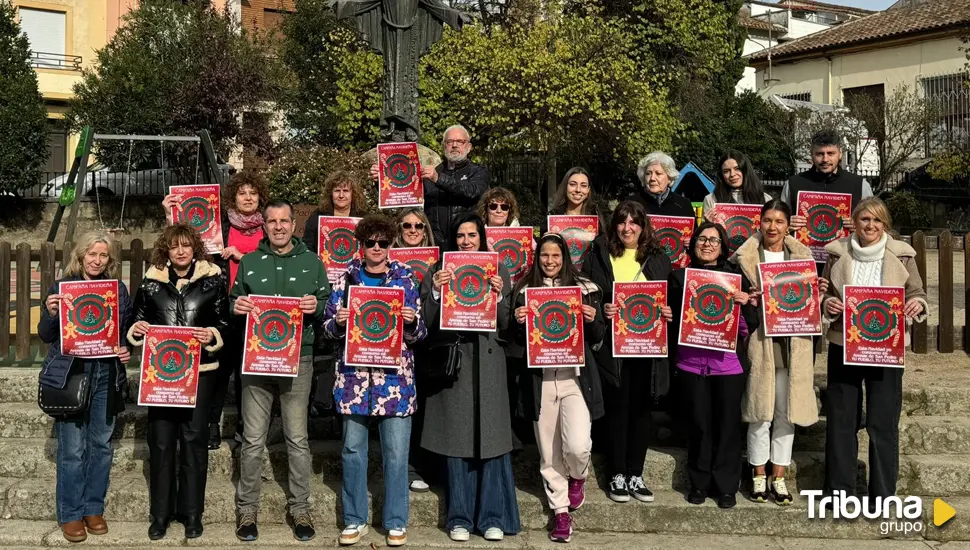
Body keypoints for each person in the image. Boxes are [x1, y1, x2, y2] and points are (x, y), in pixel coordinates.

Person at [321, 215, 427, 547]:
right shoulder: (345, 280)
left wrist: (411, 322)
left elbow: (421, 333)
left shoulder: (406, 279)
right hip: (354, 381)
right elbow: (326, 328)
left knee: (396, 454)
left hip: (395, 383)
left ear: (391, 244)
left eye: (383, 242)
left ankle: (396, 520)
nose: (377, 248)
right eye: (371, 243)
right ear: (361, 245)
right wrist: (338, 323)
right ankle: (355, 520)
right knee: (353, 450)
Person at [230, 199, 332, 542]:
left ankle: (300, 507)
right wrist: (238, 305)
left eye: (284, 221)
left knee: (297, 438)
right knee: (253, 440)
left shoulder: (312, 263)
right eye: (271, 221)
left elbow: (327, 303)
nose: (277, 226)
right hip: (256, 360)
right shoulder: (249, 262)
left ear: (293, 225)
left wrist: (316, 305)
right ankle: (247, 510)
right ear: (265, 226)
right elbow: (233, 300)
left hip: (298, 358)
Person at [419, 212, 520, 542]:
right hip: (455, 363)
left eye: (472, 235)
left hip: (489, 362)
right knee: (457, 441)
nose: (466, 241)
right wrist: (435, 293)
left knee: (491, 440)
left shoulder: (498, 269)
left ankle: (492, 516)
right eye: (460, 235)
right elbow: (423, 322)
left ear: (482, 237)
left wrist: (502, 295)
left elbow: (507, 323)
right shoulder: (439, 270)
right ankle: (459, 517)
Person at [821, 197, 927, 502]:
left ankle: (883, 494)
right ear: (855, 222)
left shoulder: (903, 256)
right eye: (864, 219)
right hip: (844, 345)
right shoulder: (837, 253)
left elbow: (917, 293)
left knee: (883, 423)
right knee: (842, 421)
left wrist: (915, 304)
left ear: (885, 225)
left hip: (887, 349)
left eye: (877, 221)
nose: (870, 225)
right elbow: (825, 293)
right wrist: (828, 304)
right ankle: (840, 491)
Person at [127, 224, 229, 540]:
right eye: (174, 246)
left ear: (195, 248)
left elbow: (225, 322)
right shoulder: (150, 282)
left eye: (186, 245)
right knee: (160, 443)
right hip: (161, 377)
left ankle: (191, 513)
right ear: (166, 250)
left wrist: (212, 334)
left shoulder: (213, 280)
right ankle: (160, 514)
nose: (181, 251)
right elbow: (135, 320)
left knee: (195, 443)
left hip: (200, 374)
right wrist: (138, 329)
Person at [38, 231, 133, 543]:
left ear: (110, 260)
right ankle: (70, 512)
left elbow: (125, 330)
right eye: (91, 254)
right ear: (79, 256)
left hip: (106, 373)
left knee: (102, 445)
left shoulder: (116, 289)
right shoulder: (63, 288)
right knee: (73, 449)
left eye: (103, 255)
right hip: (72, 375)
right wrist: (52, 313)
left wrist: (125, 347)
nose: (97, 260)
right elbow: (46, 334)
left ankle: (94, 507)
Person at [730, 201, 827, 506]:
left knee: (787, 412)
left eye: (779, 221)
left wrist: (819, 291)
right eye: (768, 220)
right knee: (760, 412)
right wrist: (748, 300)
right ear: (758, 223)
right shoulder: (743, 259)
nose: (773, 227)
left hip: (792, 344)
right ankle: (758, 473)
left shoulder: (803, 257)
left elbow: (811, 303)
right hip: (760, 344)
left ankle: (779, 475)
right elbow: (735, 303)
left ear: (789, 225)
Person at [164, 170, 268, 450]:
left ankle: (247, 430)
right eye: (242, 193)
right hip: (221, 309)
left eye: (253, 193)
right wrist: (170, 213)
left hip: (256, 311)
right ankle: (210, 424)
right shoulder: (221, 225)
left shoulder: (269, 228)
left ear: (260, 198)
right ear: (233, 198)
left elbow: (272, 262)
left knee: (250, 376)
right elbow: (185, 243)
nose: (248, 198)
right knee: (218, 372)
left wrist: (242, 256)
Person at [512, 233, 606, 543]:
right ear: (537, 259)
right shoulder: (524, 291)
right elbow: (513, 341)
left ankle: (578, 476)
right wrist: (517, 321)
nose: (550, 262)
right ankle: (561, 513)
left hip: (574, 379)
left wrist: (592, 321)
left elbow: (597, 338)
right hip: (540, 382)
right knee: (549, 453)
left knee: (577, 446)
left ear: (565, 258)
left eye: (556, 256)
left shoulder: (585, 289)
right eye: (544, 256)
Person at [582, 200, 673, 504]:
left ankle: (636, 473)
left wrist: (667, 310)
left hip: (647, 346)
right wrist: (602, 305)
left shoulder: (658, 258)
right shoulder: (599, 252)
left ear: (643, 226)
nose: (627, 228)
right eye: (622, 222)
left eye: (634, 222)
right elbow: (587, 291)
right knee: (618, 409)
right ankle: (617, 474)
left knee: (641, 410)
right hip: (612, 346)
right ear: (614, 225)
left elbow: (668, 296)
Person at [668, 221, 759, 509]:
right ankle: (699, 483)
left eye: (714, 240)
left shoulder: (736, 279)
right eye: (702, 239)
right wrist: (668, 314)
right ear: (693, 244)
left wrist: (744, 305)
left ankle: (726, 486)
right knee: (699, 426)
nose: (707, 244)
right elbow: (669, 324)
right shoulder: (678, 278)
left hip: (727, 365)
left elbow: (749, 328)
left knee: (727, 427)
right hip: (691, 364)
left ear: (723, 247)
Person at [373, 125, 488, 247]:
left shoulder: (478, 171)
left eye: (460, 141)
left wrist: (439, 179)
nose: (454, 145)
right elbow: (407, 198)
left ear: (469, 147)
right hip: (435, 244)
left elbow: (472, 192)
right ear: (444, 146)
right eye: (450, 141)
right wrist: (382, 180)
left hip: (465, 244)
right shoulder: (430, 173)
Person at [391, 207, 436, 494]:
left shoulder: (438, 262)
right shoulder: (387, 261)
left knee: (425, 407)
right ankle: (404, 467)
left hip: (428, 341)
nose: (412, 230)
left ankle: (424, 464)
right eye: (407, 225)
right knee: (400, 410)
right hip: (395, 345)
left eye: (418, 226)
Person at [781, 129, 874, 238]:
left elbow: (875, 222)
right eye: (820, 154)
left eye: (830, 153)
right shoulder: (793, 184)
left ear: (840, 154)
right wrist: (785, 224)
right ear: (812, 155)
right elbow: (777, 221)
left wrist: (861, 225)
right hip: (803, 253)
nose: (825, 159)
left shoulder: (859, 185)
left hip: (847, 252)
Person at [302, 171, 369, 253]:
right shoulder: (318, 215)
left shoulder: (363, 218)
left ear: (353, 194)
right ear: (330, 193)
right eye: (337, 191)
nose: (341, 195)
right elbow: (307, 245)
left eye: (345, 191)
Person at [702, 150, 772, 222]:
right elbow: (703, 232)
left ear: (746, 170)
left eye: (737, 169)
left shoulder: (766, 199)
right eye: (726, 171)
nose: (732, 174)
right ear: (721, 175)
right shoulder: (711, 200)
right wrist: (707, 225)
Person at [627, 152, 695, 219]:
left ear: (669, 178)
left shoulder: (683, 205)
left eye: (658, 173)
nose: (652, 178)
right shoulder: (630, 203)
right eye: (648, 173)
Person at [546, 167, 607, 235]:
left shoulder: (596, 214)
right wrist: (544, 237)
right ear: (565, 187)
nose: (578, 190)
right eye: (572, 184)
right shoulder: (553, 214)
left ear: (588, 190)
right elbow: (536, 231)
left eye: (583, 186)